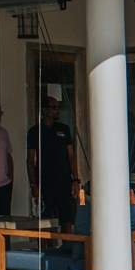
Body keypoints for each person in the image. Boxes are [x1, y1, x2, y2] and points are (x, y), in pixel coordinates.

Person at [27, 95, 76, 229]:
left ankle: (67, 243)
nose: (57, 110)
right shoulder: (34, 131)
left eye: (58, 107)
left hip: (64, 182)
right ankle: (47, 243)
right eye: (54, 108)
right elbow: (30, 160)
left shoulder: (64, 129)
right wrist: (33, 184)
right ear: (44, 109)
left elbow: (71, 156)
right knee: (44, 221)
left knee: (67, 220)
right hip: (44, 183)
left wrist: (75, 179)